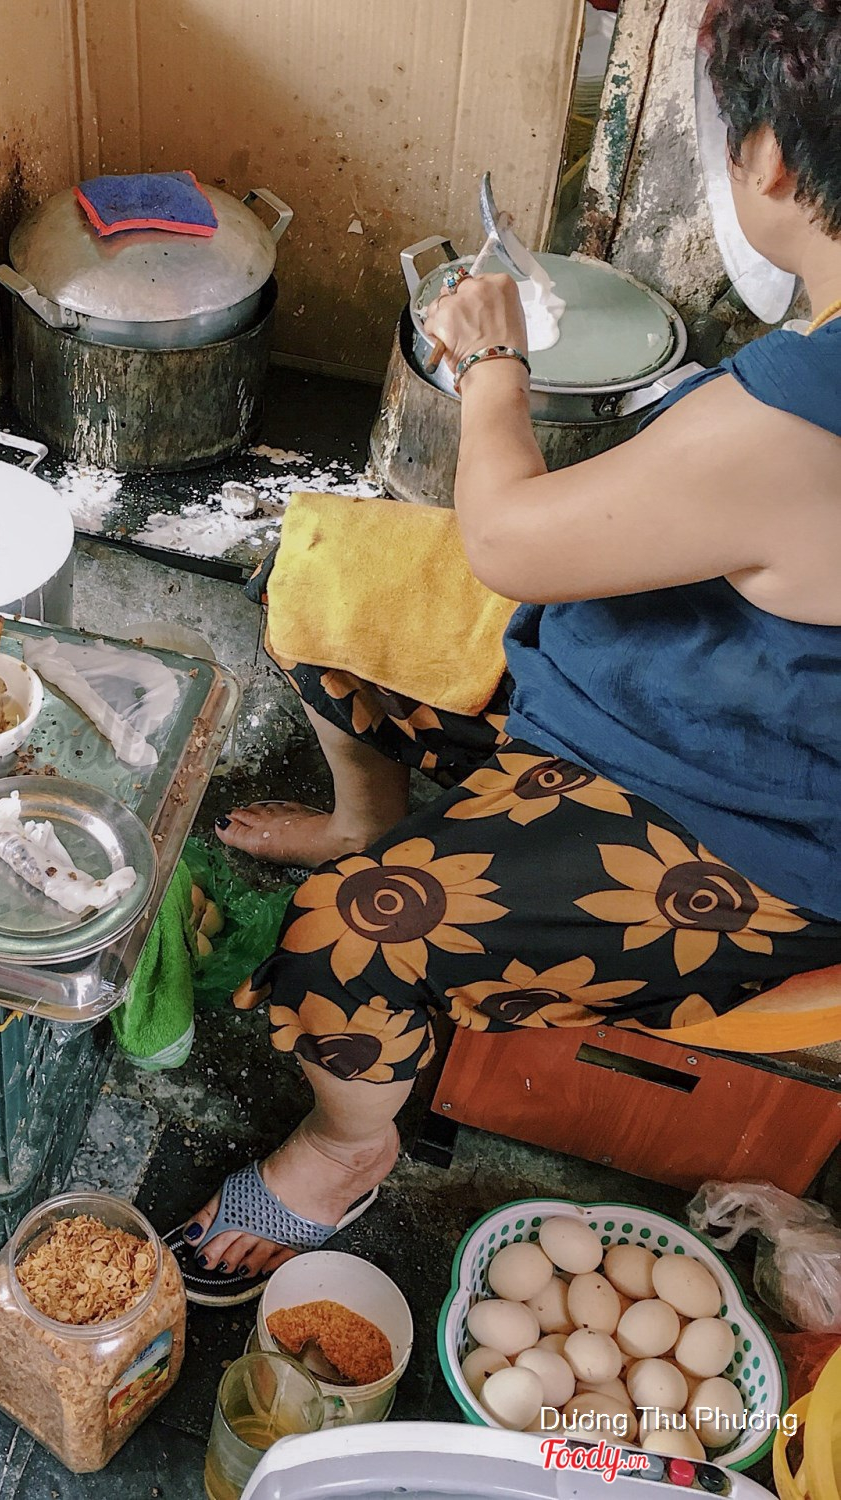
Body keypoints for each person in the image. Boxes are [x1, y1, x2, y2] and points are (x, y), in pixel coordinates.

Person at [173, 0, 841, 1306]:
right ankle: (367, 818)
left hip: (746, 828)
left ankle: (344, 1152)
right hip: (710, 689)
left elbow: (510, 545)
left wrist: (490, 362)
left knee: (342, 941)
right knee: (324, 578)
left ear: (767, 158)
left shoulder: (801, 427)